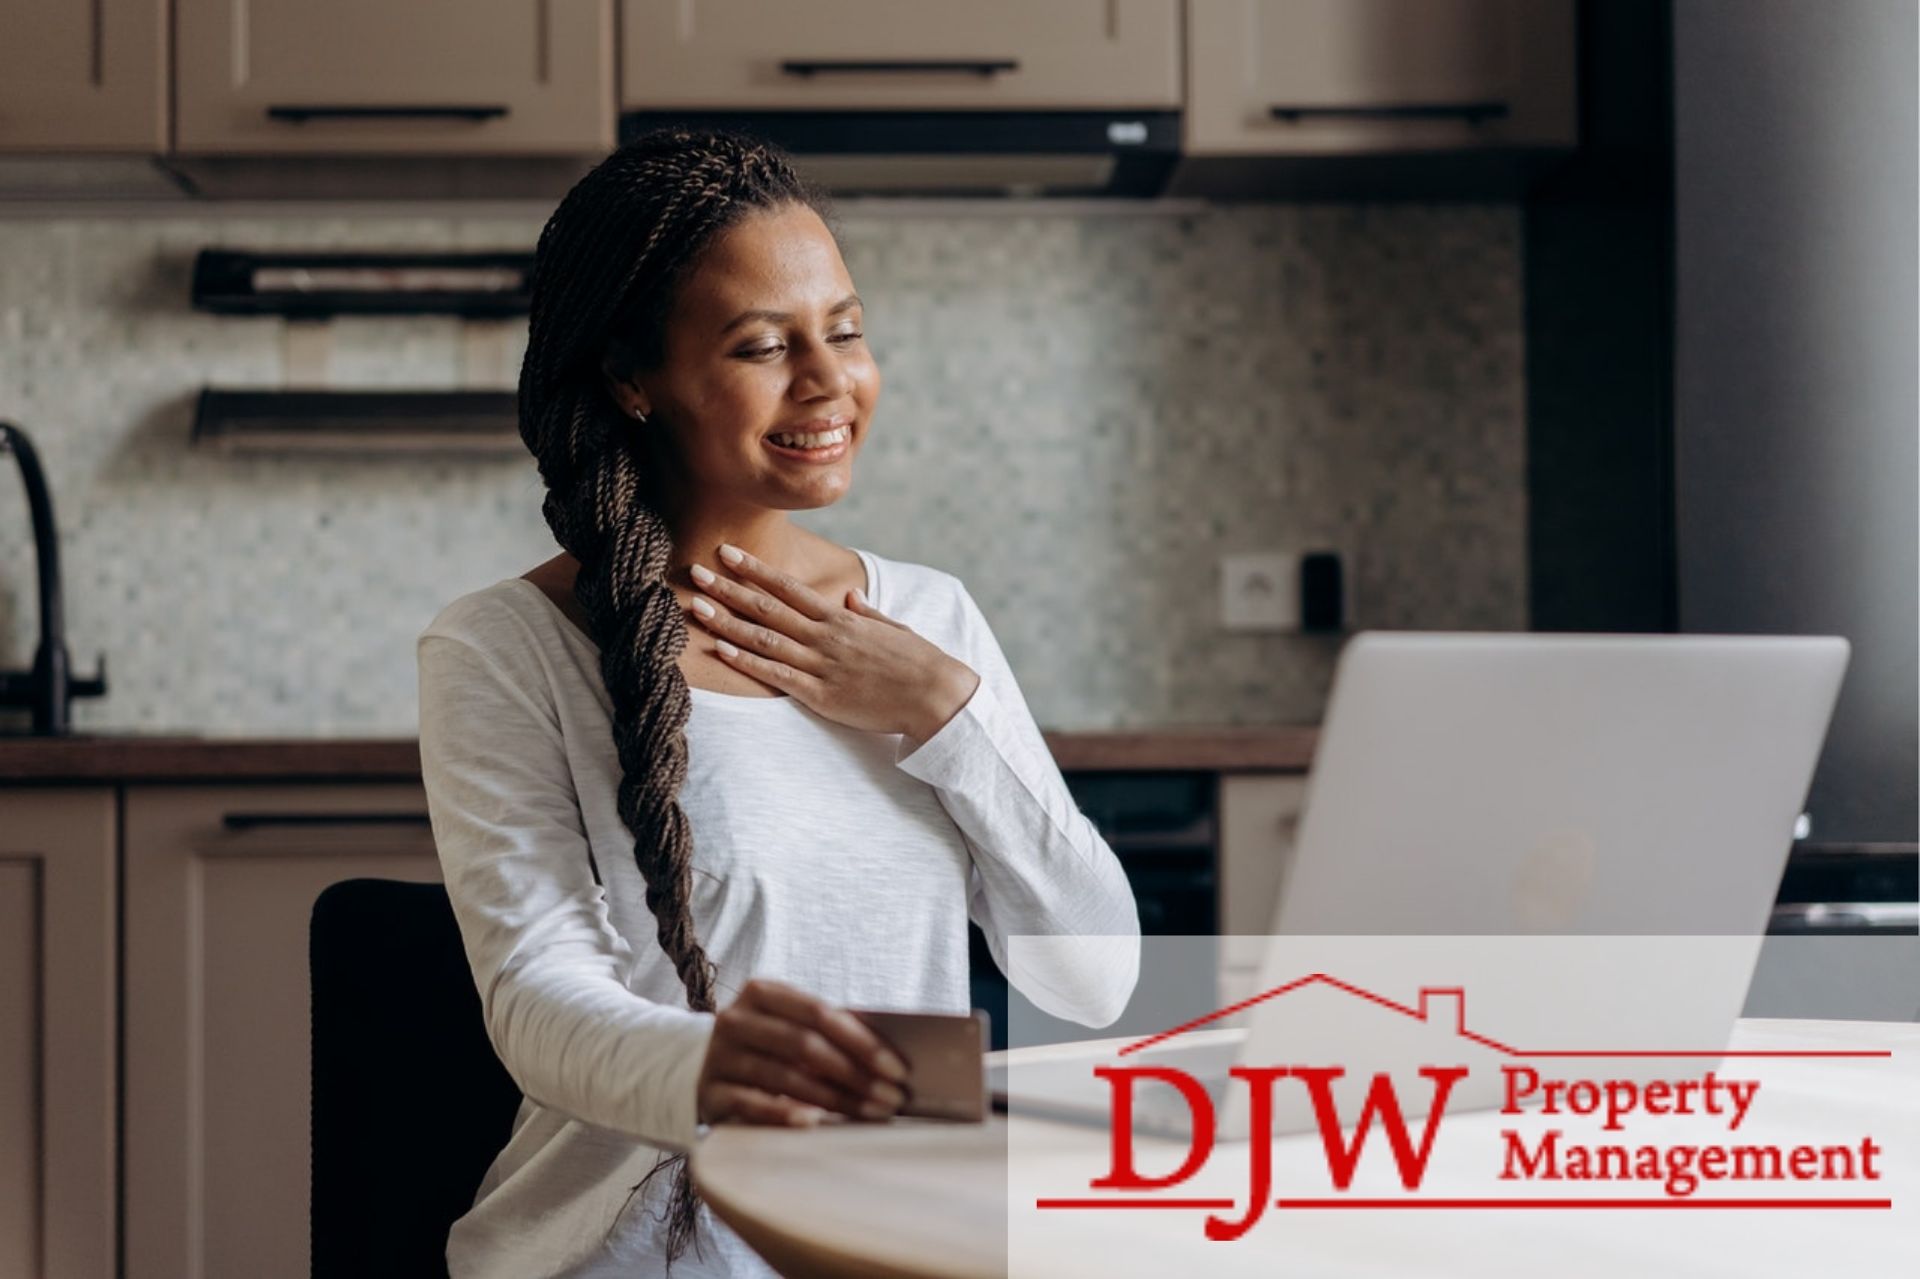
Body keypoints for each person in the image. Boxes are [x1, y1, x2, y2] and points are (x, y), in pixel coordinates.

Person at [415, 126, 1142, 1279]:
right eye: (763, 345)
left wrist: (950, 714)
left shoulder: (932, 620)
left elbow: (1093, 980)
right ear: (630, 376)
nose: (829, 382)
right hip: (637, 1250)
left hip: (902, 1240)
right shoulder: (509, 647)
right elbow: (537, 997)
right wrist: (714, 1067)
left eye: (845, 330)